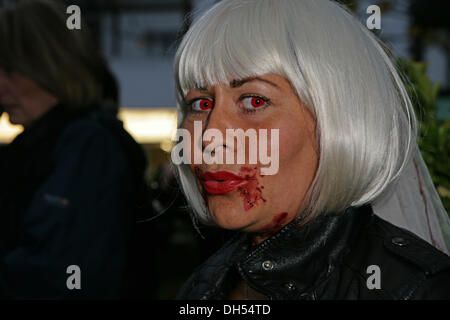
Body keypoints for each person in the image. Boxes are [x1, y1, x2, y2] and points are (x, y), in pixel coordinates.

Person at [173, 0, 450, 299]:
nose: (209, 137)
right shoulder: (206, 283)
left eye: (254, 101)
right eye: (200, 104)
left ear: (337, 122)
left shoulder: (418, 290)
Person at [0, 0, 149, 299]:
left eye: (11, 69)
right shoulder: (51, 144)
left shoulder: (87, 146)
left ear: (50, 66)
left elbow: (53, 271)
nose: (1, 84)